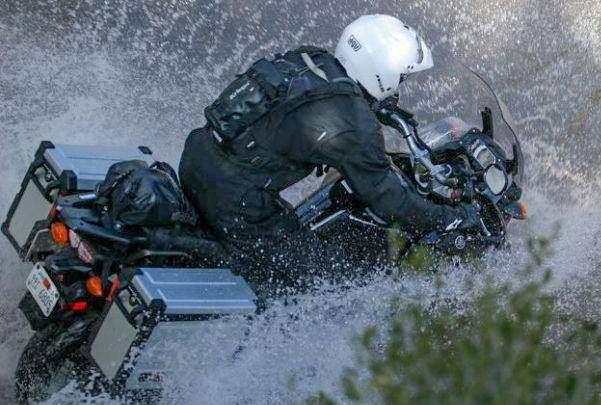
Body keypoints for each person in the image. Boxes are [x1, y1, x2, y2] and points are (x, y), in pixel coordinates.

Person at [179, 14, 477, 286]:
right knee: (334, 278)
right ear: (381, 69)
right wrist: (455, 216)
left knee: (301, 224)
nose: (398, 88)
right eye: (399, 78)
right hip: (234, 205)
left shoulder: (311, 59)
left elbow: (300, 108)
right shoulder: (354, 125)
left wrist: (381, 112)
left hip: (197, 158)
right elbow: (391, 203)